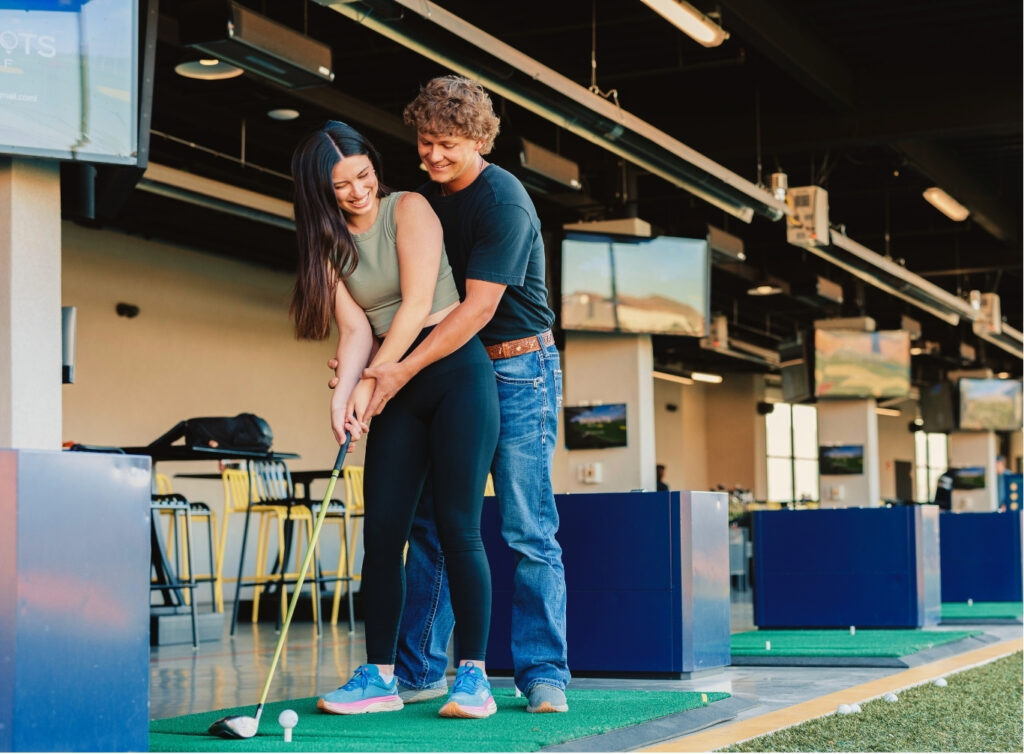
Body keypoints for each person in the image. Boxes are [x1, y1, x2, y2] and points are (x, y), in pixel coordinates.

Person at [331, 75, 570, 713]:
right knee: (431, 527)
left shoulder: (504, 204)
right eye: (427, 142)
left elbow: (474, 309)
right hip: (452, 367)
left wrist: (395, 370)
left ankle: (543, 674)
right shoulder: (426, 199)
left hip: (518, 368)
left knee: (525, 526)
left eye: (450, 144)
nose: (435, 155)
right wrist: (374, 361)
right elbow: (413, 295)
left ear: (481, 140)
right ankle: (415, 672)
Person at [290, 120, 500, 719]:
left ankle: (475, 679)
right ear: (319, 192)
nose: (358, 191)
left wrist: (373, 382)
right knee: (382, 532)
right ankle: (380, 677)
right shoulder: (326, 244)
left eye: (362, 175)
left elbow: (413, 306)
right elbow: (356, 327)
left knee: (459, 527)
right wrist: (343, 399)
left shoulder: (408, 208)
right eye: (340, 185)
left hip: (454, 370)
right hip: (395, 381)